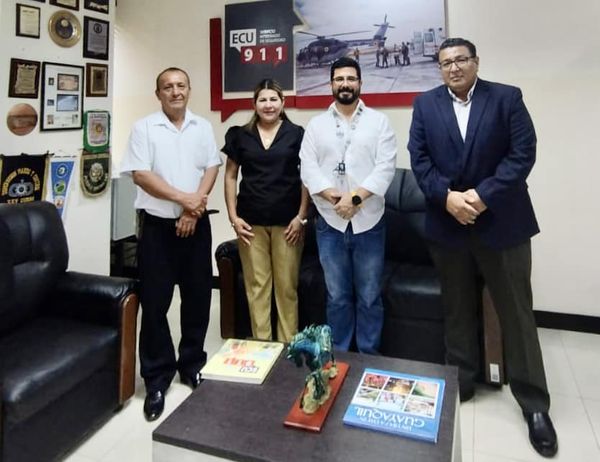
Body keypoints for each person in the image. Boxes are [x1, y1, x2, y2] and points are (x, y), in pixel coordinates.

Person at [407, 38, 557, 458]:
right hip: (448, 224)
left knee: (517, 314)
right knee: (456, 308)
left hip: (502, 224)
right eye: (445, 63)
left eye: (461, 60)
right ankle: (463, 382)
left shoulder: (506, 98)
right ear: (439, 68)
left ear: (475, 62)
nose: (453, 67)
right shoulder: (425, 105)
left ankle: (534, 403)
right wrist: (447, 198)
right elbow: (419, 159)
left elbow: (522, 154)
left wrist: (481, 196)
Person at [121, 67, 222, 421]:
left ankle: (192, 365)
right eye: (168, 87)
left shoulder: (202, 127)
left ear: (189, 90)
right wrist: (184, 200)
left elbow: (212, 167)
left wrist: (193, 209)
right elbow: (141, 175)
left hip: (197, 224)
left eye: (181, 85)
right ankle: (157, 378)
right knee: (155, 303)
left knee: (198, 299)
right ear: (158, 93)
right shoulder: (144, 128)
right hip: (158, 229)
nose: (175, 91)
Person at [300, 57, 397, 354]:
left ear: (360, 83)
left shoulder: (379, 122)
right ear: (331, 84)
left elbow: (385, 167)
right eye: (339, 79)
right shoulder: (316, 125)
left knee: (369, 297)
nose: (345, 84)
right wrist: (335, 198)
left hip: (369, 222)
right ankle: (340, 356)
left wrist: (355, 198)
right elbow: (308, 168)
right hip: (330, 223)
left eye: (351, 79)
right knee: (337, 296)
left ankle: (368, 356)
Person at [222, 79, 308, 343]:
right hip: (250, 224)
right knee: (257, 288)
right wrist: (233, 218)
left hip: (288, 224)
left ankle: (287, 349)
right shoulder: (240, 135)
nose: (268, 105)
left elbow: (307, 178)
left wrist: (301, 217)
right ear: (254, 104)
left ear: (282, 103)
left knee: (286, 288)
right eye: (263, 100)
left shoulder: (297, 134)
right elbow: (230, 176)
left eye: (273, 99)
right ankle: (262, 348)